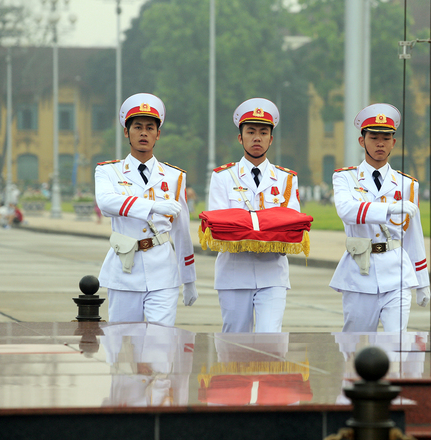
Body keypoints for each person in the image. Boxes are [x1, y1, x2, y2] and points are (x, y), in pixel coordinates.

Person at [95, 93, 197, 325]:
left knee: (159, 348)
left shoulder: (174, 176)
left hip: (163, 270)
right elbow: (106, 203)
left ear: (158, 134)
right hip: (124, 269)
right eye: (137, 127)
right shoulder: (109, 171)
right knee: (122, 348)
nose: (143, 133)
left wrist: (189, 279)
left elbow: (181, 231)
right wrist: (153, 205)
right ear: (126, 132)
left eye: (150, 128)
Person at [329, 103, 430, 333]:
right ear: (362, 141)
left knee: (397, 345)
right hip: (359, 272)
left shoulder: (407, 184)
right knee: (355, 346)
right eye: (374, 137)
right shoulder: (345, 178)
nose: (380, 143)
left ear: (394, 142)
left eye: (386, 137)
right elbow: (346, 210)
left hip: (397, 273)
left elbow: (414, 236)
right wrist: (388, 209)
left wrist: (422, 282)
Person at [207, 97, 301, 333]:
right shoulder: (223, 177)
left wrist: (245, 226)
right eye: (250, 131)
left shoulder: (286, 178)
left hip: (273, 274)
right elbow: (219, 228)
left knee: (270, 339)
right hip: (234, 273)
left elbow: (292, 226)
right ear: (241, 137)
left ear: (271, 138)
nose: (257, 137)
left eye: (263, 132)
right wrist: (269, 226)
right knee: (234, 344)